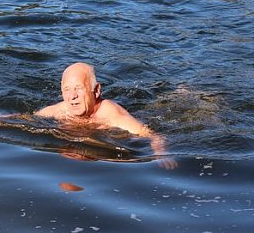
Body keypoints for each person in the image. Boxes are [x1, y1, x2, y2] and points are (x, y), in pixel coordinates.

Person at [36, 62, 176, 168]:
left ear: (96, 91)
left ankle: (179, 92)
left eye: (78, 88)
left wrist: (160, 152)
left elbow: (152, 135)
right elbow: (27, 119)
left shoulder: (110, 114)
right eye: (67, 89)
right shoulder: (59, 110)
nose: (72, 96)